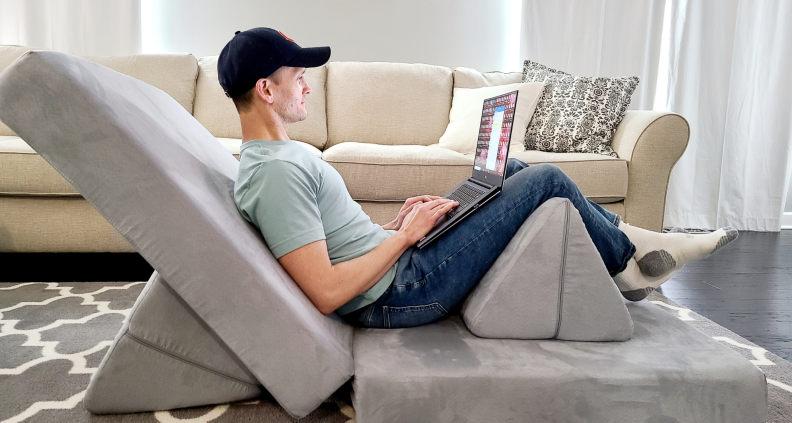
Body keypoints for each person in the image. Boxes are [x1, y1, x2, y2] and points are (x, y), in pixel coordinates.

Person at [221, 28, 737, 329]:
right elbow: (327, 293)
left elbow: (335, 243)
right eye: (299, 77)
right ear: (267, 90)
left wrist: (397, 225)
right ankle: (629, 265)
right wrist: (403, 238)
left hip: (399, 265)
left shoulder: (280, 159)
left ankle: (629, 240)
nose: (308, 87)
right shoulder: (275, 175)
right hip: (402, 292)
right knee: (546, 179)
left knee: (507, 170)